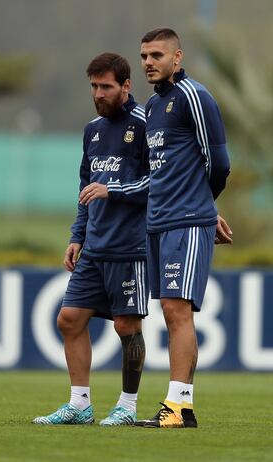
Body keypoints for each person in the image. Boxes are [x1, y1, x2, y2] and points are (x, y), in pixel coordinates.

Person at [33, 52, 150, 426]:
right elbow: (86, 186)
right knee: (69, 319)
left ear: (126, 86)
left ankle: (128, 407)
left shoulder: (146, 125)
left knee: (126, 327)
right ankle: (80, 405)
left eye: (107, 86)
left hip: (130, 247)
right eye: (94, 87)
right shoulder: (92, 130)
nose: (99, 94)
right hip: (94, 247)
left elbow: (158, 183)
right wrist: (77, 235)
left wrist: (112, 190)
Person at [133, 28, 232, 429]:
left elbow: (219, 162)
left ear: (177, 57)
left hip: (187, 221)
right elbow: (156, 171)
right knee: (171, 311)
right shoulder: (153, 108)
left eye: (156, 55)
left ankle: (179, 408)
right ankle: (178, 408)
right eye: (143, 56)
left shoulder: (194, 96)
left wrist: (204, 206)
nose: (148, 63)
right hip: (158, 222)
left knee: (178, 311)